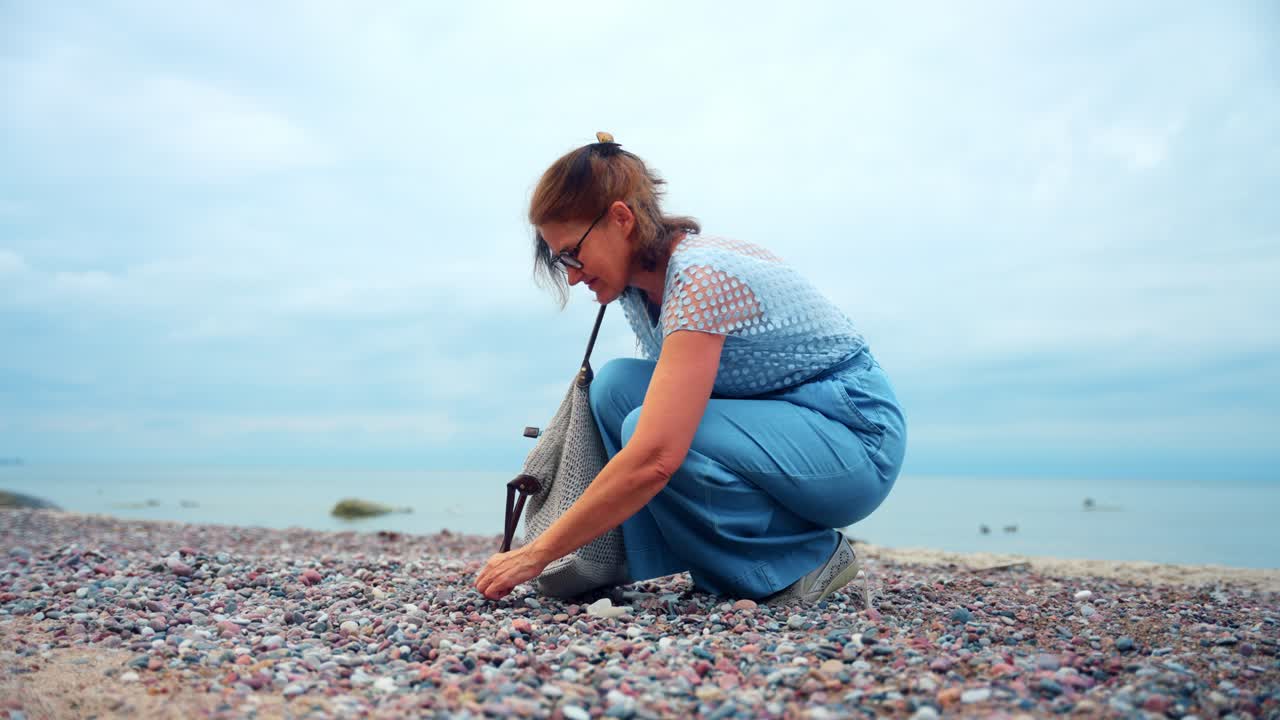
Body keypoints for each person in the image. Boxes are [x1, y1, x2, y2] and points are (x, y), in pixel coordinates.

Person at [475, 133, 906, 604]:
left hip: (856, 436)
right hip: (789, 425)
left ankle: (806, 556)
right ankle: (660, 556)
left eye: (573, 254)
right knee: (616, 387)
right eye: (561, 262)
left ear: (621, 218)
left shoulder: (700, 277)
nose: (572, 274)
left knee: (650, 433)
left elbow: (657, 456)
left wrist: (535, 553)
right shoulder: (641, 291)